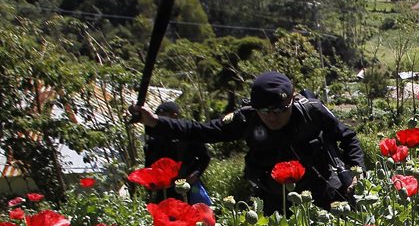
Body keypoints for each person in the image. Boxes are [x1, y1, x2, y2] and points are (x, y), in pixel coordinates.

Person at [132, 72, 364, 215]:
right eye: (265, 111)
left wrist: (357, 171)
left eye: (280, 110)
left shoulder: (311, 111)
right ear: (255, 108)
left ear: (292, 100)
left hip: (321, 187)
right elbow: (200, 131)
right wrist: (155, 122)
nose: (273, 117)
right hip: (274, 198)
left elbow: (347, 136)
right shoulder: (246, 119)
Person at [144, 100, 212, 205]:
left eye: (162, 115)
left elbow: (205, 157)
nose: (159, 119)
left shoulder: (187, 133)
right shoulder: (154, 139)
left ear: (174, 116)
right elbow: (149, 165)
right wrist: (151, 184)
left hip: (188, 185)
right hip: (165, 190)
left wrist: (195, 174)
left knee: (196, 212)